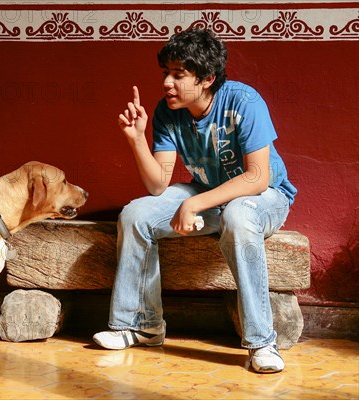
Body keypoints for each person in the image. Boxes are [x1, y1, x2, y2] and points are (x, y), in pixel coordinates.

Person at [93, 28, 297, 374]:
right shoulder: (168, 111)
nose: (167, 83)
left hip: (264, 197)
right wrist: (137, 140)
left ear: (207, 79)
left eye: (178, 75)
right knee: (135, 214)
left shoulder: (244, 102)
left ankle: (262, 342)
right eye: (165, 74)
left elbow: (257, 177)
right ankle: (142, 325)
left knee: (238, 216)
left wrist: (193, 205)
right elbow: (158, 184)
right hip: (208, 192)